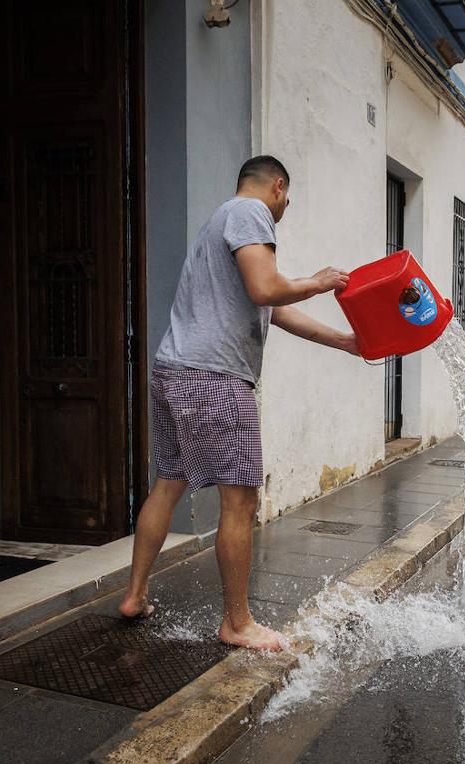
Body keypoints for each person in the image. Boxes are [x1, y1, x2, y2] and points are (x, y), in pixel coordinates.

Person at [118, 155, 359, 652]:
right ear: (276, 187)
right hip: (216, 379)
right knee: (241, 499)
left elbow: (272, 306)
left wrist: (345, 342)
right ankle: (238, 622)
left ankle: (135, 596)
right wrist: (321, 279)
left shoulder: (219, 223)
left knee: (168, 483)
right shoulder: (251, 214)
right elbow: (267, 286)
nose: (284, 209)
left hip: (175, 372)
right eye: (286, 200)